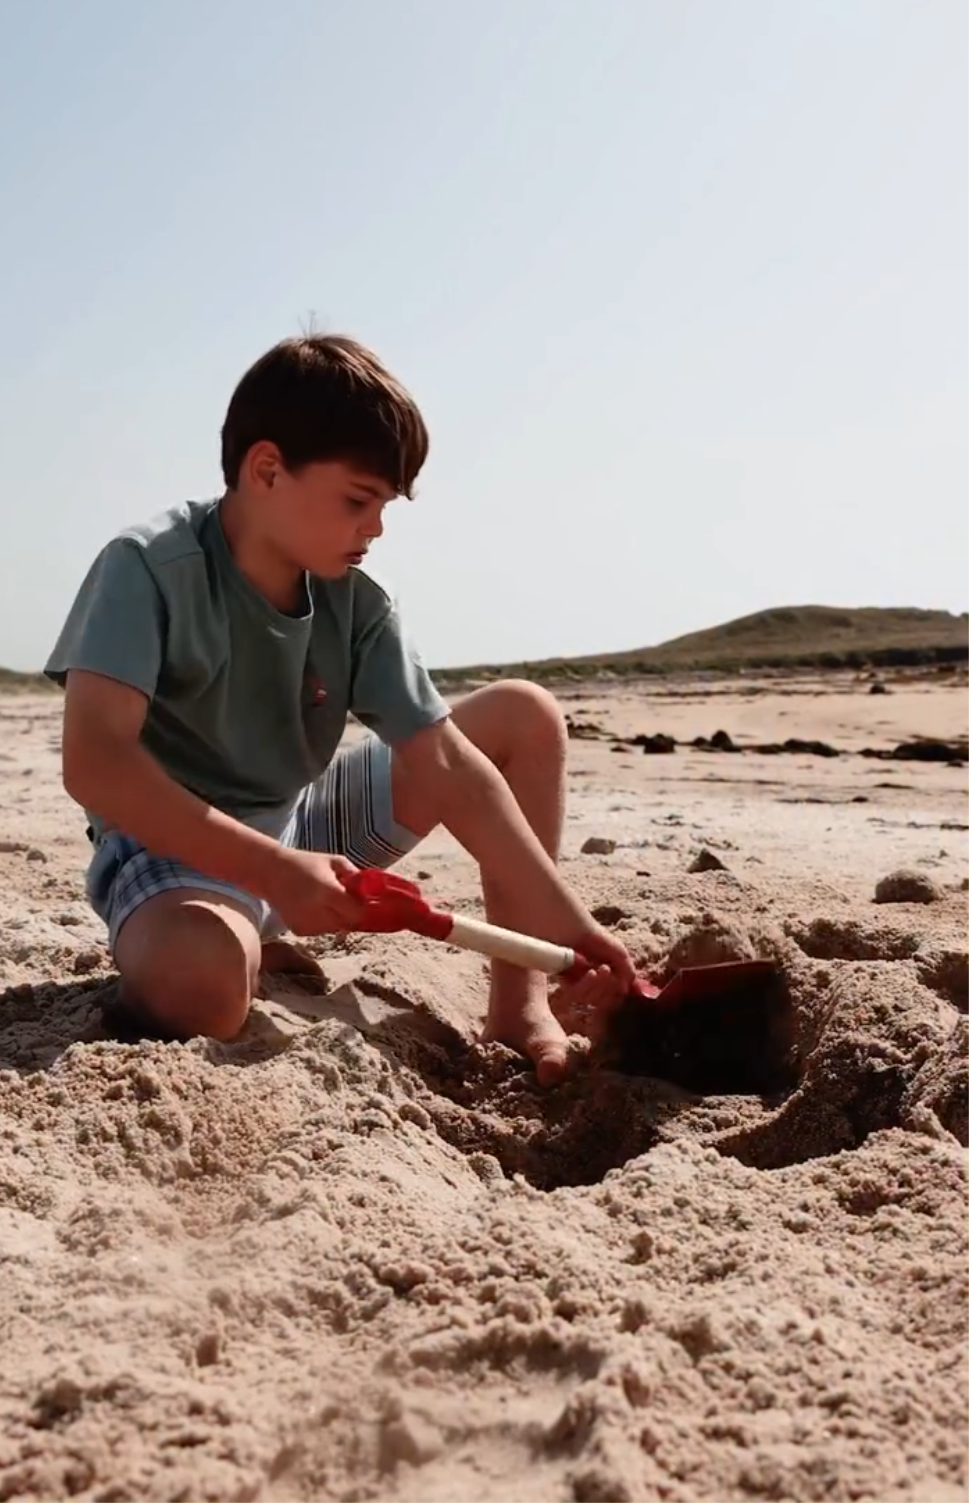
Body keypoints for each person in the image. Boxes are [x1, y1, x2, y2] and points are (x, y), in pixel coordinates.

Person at [46, 334, 634, 1082]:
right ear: (267, 470)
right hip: (175, 852)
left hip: (305, 827)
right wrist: (276, 874)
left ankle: (517, 1004)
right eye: (358, 500)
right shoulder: (148, 568)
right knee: (204, 989)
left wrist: (570, 927)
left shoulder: (355, 602)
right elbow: (96, 763)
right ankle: (225, 936)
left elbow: (449, 765)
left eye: (385, 505)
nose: (376, 527)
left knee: (525, 715)